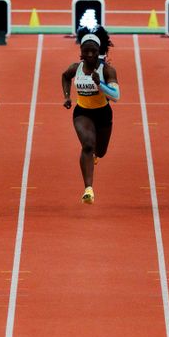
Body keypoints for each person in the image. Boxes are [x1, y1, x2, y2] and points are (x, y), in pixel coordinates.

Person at [61, 27, 119, 204]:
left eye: (94, 50)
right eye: (86, 51)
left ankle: (94, 156)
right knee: (87, 145)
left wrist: (100, 84)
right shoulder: (75, 68)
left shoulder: (107, 70)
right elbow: (65, 76)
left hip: (103, 113)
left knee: (100, 151)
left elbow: (116, 96)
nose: (90, 54)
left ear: (99, 51)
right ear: (81, 52)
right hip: (82, 112)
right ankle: (88, 190)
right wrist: (67, 96)